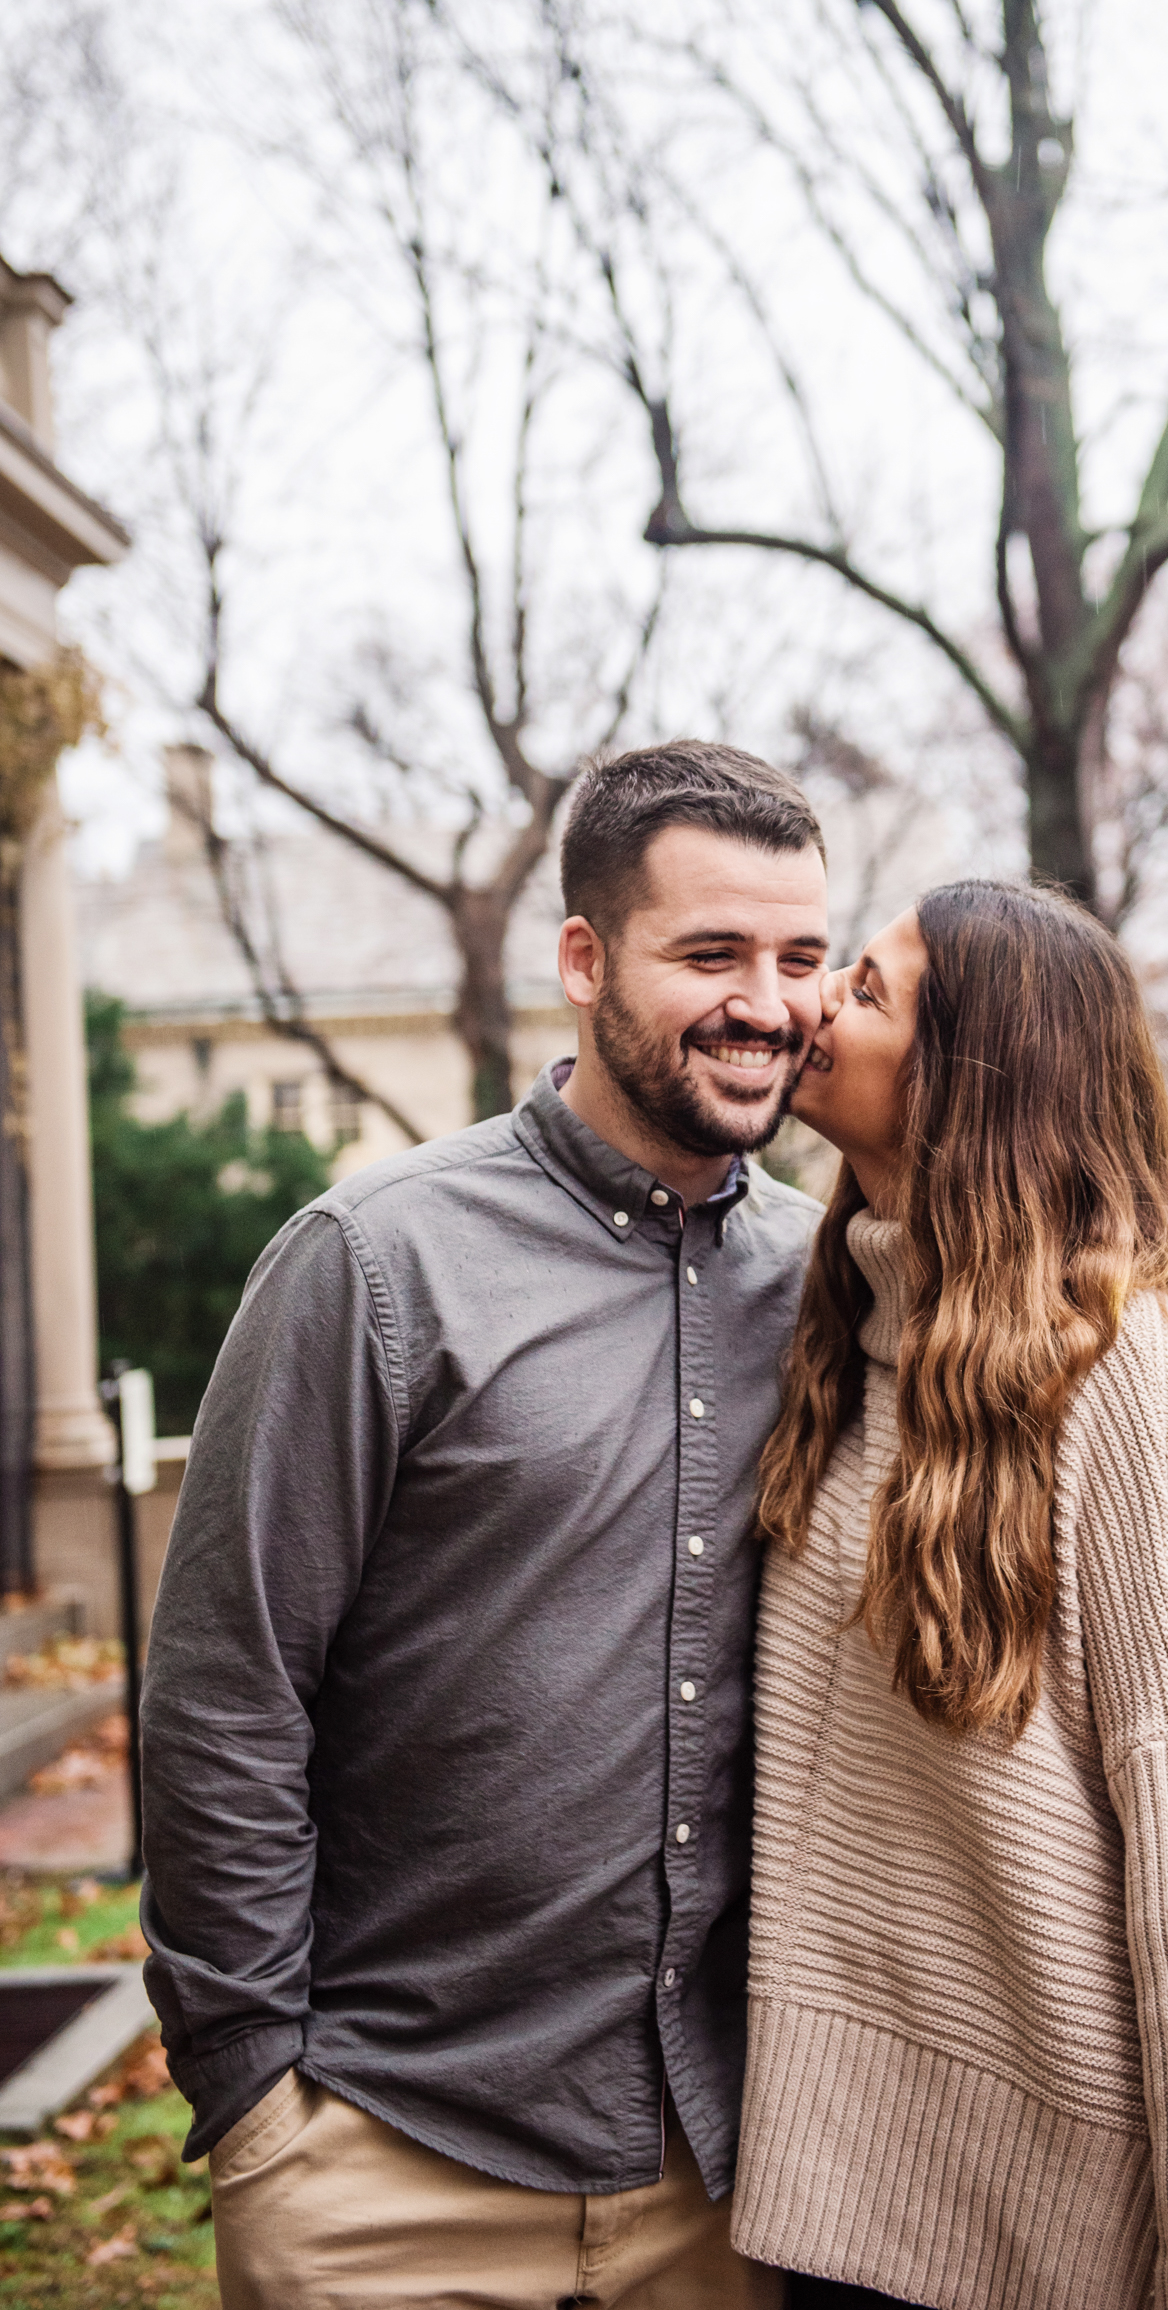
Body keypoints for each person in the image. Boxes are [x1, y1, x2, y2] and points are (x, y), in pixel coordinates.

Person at [138, 740, 832, 2310]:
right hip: (388, 2157)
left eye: (801, 957)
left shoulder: (834, 1286)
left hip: (729, 2175)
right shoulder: (374, 1265)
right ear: (583, 961)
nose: (769, 1003)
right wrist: (253, 2087)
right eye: (709, 954)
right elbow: (224, 1692)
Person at [736, 881, 1168, 2310]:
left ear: (973, 1078)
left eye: (863, 992)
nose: (809, 1010)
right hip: (869, 2204)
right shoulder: (856, 1339)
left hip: (1099, 2217)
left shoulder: (1122, 1383)